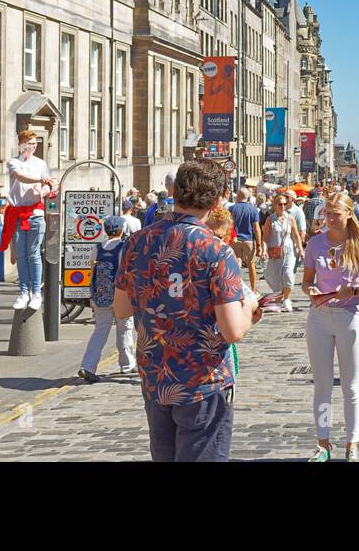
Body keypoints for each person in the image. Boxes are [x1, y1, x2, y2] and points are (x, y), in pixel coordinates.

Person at [114, 159, 260, 462]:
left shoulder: (139, 241)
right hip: (202, 379)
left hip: (156, 376)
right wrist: (250, 308)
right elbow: (233, 330)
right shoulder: (215, 250)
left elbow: (121, 308)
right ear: (218, 200)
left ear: (175, 192)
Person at [301, 191, 359, 462]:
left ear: (348, 214)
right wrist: (310, 290)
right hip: (321, 315)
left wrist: (354, 291)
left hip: (351, 316)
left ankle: (351, 444)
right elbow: (307, 280)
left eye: (335, 213)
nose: (330, 218)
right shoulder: (315, 244)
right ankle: (323, 443)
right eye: (327, 213)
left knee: (350, 384)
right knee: (322, 383)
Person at [79, 216, 136, 383]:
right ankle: (127, 364)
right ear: (121, 230)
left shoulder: (96, 248)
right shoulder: (124, 248)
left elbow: (92, 273)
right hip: (120, 296)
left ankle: (88, 366)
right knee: (124, 329)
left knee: (99, 332)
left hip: (100, 296)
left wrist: (91, 295)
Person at [5, 130, 55, 311]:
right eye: (28, 143)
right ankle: (24, 292)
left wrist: (44, 190)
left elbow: (49, 186)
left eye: (34, 143)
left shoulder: (41, 163)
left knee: (33, 253)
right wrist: (41, 180)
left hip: (35, 213)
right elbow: (20, 176)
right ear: (21, 144)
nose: (32, 146)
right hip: (18, 213)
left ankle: (36, 293)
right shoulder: (14, 162)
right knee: (21, 255)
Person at [261, 192, 300, 311]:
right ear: (274, 205)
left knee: (288, 275)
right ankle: (278, 299)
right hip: (274, 252)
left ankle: (287, 299)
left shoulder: (290, 218)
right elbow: (265, 238)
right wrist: (263, 250)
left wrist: (300, 249)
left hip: (288, 251)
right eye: (280, 204)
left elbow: (296, 235)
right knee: (276, 277)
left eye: (284, 204)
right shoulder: (270, 220)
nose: (282, 206)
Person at [228, 189, 261, 294]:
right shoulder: (253, 209)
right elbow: (256, 228)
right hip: (249, 240)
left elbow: (228, 225)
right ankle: (253, 289)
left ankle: (236, 289)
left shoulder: (231, 208)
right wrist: (259, 244)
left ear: (238, 196)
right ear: (248, 197)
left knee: (236, 263)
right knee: (251, 264)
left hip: (235, 239)